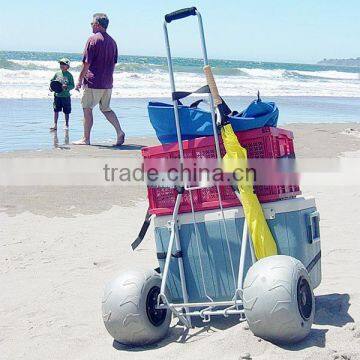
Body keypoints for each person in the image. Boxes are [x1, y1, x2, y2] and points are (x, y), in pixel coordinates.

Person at [73, 13, 125, 146]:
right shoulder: (113, 42)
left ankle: (86, 139)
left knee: (87, 108)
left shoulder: (93, 40)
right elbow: (113, 64)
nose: (91, 26)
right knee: (106, 108)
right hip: (108, 83)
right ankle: (119, 131)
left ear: (97, 24)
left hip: (93, 82)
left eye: (91, 24)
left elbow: (86, 63)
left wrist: (79, 80)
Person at [50, 58, 74, 131]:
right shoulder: (57, 73)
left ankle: (66, 124)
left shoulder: (69, 75)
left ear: (68, 66)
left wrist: (66, 87)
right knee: (56, 110)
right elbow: (52, 81)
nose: (62, 65)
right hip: (57, 95)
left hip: (66, 96)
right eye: (61, 64)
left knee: (66, 111)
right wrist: (51, 88)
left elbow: (72, 85)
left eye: (64, 64)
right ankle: (55, 124)